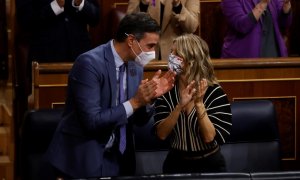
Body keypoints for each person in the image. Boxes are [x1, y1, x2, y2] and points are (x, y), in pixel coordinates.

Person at [45, 12, 175, 179]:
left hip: (119, 159)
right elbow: (92, 121)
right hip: (83, 157)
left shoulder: (136, 66)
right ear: (131, 41)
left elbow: (139, 121)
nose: (153, 53)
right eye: (150, 46)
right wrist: (135, 102)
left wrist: (150, 98)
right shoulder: (89, 64)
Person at [153, 34, 232, 173]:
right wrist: (179, 107)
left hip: (209, 165)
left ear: (191, 59)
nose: (170, 56)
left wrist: (199, 104)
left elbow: (209, 137)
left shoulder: (214, 92)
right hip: (175, 165)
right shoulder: (167, 90)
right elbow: (161, 134)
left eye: (176, 53)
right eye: (171, 52)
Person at [16, 0, 100, 63]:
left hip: (81, 58)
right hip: (45, 59)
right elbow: (25, 21)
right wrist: (55, 7)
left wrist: (80, 4)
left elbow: (95, 17)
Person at [127, 0, 200, 61]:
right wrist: (143, 5)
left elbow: (192, 27)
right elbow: (129, 26)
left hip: (178, 55)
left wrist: (178, 6)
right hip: (144, 55)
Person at [220, 0, 292, 58]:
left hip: (274, 57)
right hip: (243, 60)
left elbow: (284, 23)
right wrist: (262, 4)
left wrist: (286, 7)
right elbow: (241, 25)